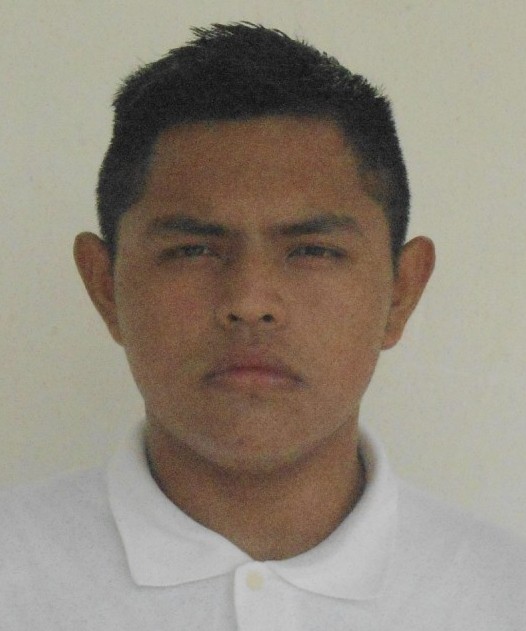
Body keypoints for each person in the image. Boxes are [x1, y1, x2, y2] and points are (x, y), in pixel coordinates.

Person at [1, 22, 525, 630]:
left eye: (313, 250)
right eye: (193, 250)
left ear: (401, 291)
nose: (250, 302)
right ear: (104, 285)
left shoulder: (504, 597)